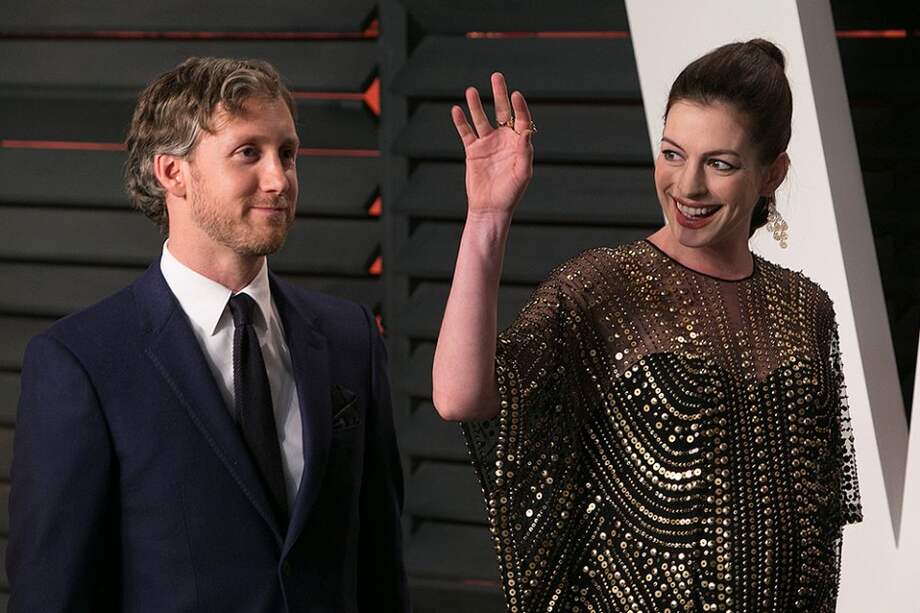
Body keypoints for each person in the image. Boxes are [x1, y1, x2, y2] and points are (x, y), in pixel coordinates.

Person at [433, 40, 862, 612]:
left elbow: (821, 536)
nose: (688, 187)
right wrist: (487, 216)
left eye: (720, 163)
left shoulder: (807, 309)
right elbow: (461, 396)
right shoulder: (599, 288)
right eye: (672, 153)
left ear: (771, 174)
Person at [7, 57, 408, 612]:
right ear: (172, 172)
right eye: (249, 152)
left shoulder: (350, 338)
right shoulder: (80, 364)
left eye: (287, 153)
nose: (279, 179)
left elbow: (381, 568)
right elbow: (53, 596)